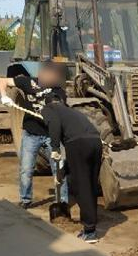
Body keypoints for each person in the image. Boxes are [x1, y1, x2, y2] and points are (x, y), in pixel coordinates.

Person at [0, 61, 69, 210]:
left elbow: (59, 110)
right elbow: (2, 80)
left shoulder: (59, 92)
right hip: (31, 135)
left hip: (51, 136)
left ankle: (63, 202)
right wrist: (4, 96)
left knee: (59, 169)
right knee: (26, 169)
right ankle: (25, 199)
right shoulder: (27, 82)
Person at [43, 101, 104, 245]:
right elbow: (73, 160)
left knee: (80, 187)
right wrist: (62, 173)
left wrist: (55, 148)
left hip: (78, 144)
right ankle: (89, 227)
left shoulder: (49, 109)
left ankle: (90, 231)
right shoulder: (72, 112)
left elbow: (54, 125)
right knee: (90, 184)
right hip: (95, 143)